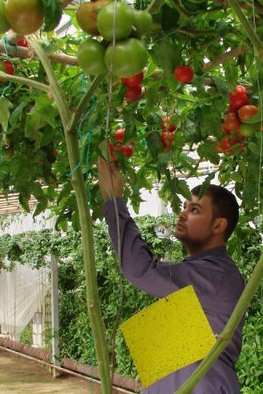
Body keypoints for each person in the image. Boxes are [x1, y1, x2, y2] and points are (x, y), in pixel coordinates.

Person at [97, 158, 246, 394]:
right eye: (184, 207)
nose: (182, 214)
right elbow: (173, 359)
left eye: (194, 210)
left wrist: (114, 203)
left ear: (219, 226)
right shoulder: (197, 270)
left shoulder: (218, 275)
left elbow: (142, 269)